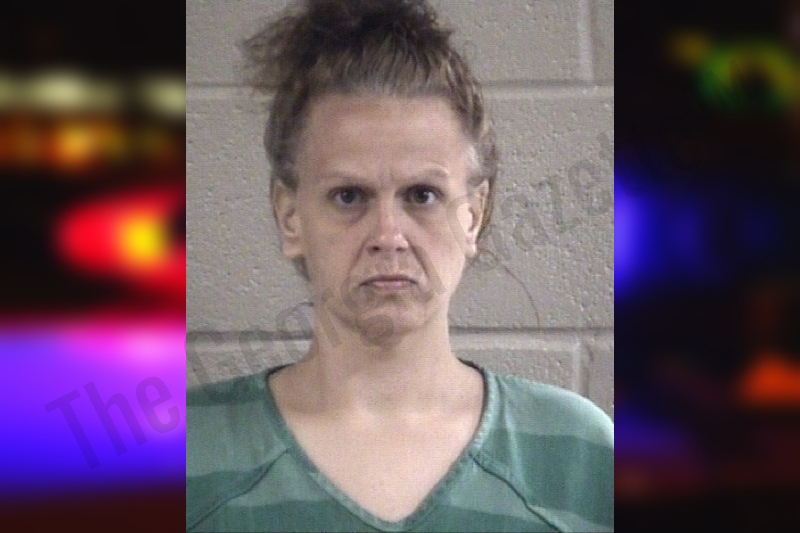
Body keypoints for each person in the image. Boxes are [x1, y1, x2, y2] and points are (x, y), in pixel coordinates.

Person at [186, 1, 613, 531]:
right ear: (290, 217)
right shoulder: (186, 454)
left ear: (474, 216)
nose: (388, 236)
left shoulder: (580, 456)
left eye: (422, 195)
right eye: (348, 196)